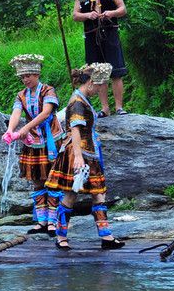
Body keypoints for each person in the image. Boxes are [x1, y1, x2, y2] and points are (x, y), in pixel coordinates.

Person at [44, 63, 126, 250]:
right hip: (77, 154)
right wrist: (79, 158)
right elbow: (75, 129)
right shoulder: (77, 102)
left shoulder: (83, 100)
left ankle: (106, 236)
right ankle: (61, 236)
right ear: (90, 82)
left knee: (98, 193)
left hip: (91, 153)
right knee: (71, 194)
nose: (99, 90)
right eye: (98, 86)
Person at [2, 54, 65, 237]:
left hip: (50, 138)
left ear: (36, 74)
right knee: (37, 179)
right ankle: (41, 220)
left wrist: (25, 129)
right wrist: (11, 130)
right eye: (22, 77)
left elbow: (46, 113)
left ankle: (54, 221)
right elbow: (16, 113)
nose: (25, 79)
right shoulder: (21, 95)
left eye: (28, 75)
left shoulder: (48, 91)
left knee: (53, 178)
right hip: (33, 140)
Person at [72, 0, 128, 117]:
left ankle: (119, 107)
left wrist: (111, 13)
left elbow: (123, 8)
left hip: (110, 33)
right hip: (91, 37)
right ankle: (105, 109)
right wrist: (88, 15)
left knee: (116, 71)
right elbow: (75, 15)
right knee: (97, 72)